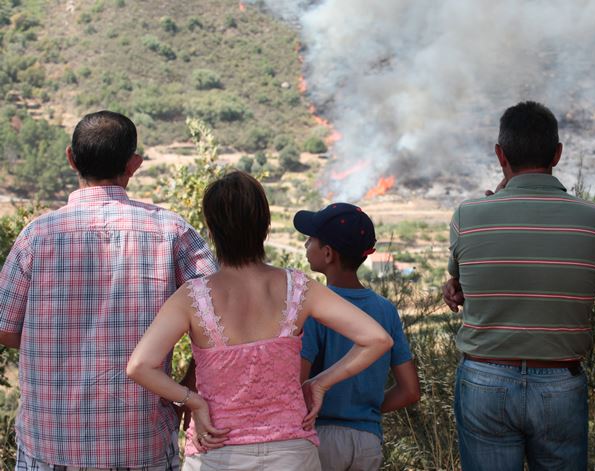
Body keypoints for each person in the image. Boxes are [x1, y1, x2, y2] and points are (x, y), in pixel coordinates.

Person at [127, 171, 393, 470]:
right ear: (265, 226)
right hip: (291, 453)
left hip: (216, 452)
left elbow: (139, 366)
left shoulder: (192, 297)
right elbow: (377, 338)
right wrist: (320, 384)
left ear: (212, 230)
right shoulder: (299, 288)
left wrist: (194, 401)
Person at [0, 111, 217, 469]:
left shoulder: (35, 238)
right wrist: (187, 389)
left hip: (50, 444)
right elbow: (220, 321)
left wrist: (56, 341)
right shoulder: (172, 232)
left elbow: (6, 329)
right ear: (134, 164)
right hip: (141, 444)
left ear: (70, 157)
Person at [443, 101, 595, 470]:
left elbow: (460, 281)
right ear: (558, 154)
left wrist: (504, 188)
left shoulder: (468, 216)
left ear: (500, 154)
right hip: (560, 382)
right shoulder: (594, 220)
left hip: (485, 377)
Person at [294, 202, 420, 471]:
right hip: (367, 441)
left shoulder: (316, 308)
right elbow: (410, 391)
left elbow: (298, 382)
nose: (306, 244)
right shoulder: (386, 310)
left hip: (321, 437)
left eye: (311, 239)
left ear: (328, 254)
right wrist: (365, 412)